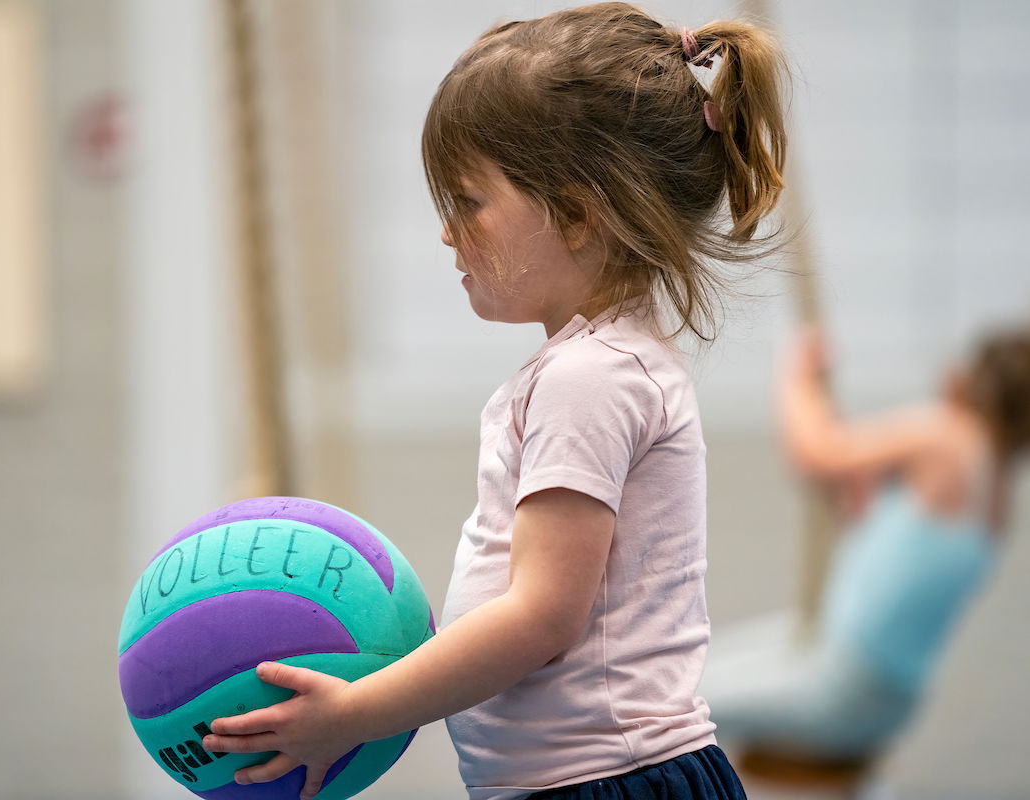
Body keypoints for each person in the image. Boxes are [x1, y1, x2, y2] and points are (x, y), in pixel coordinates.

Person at [201, 4, 789, 798]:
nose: (449, 233)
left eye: (469, 200)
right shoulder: (603, 365)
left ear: (578, 214)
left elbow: (541, 619)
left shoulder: (590, 378)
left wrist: (356, 713)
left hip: (610, 783)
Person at [703, 323, 1030, 763]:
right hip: (886, 697)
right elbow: (883, 543)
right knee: (689, 675)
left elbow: (815, 455)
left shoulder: (950, 436)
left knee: (674, 705)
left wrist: (796, 370)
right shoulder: (997, 492)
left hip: (843, 683)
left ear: (975, 381)